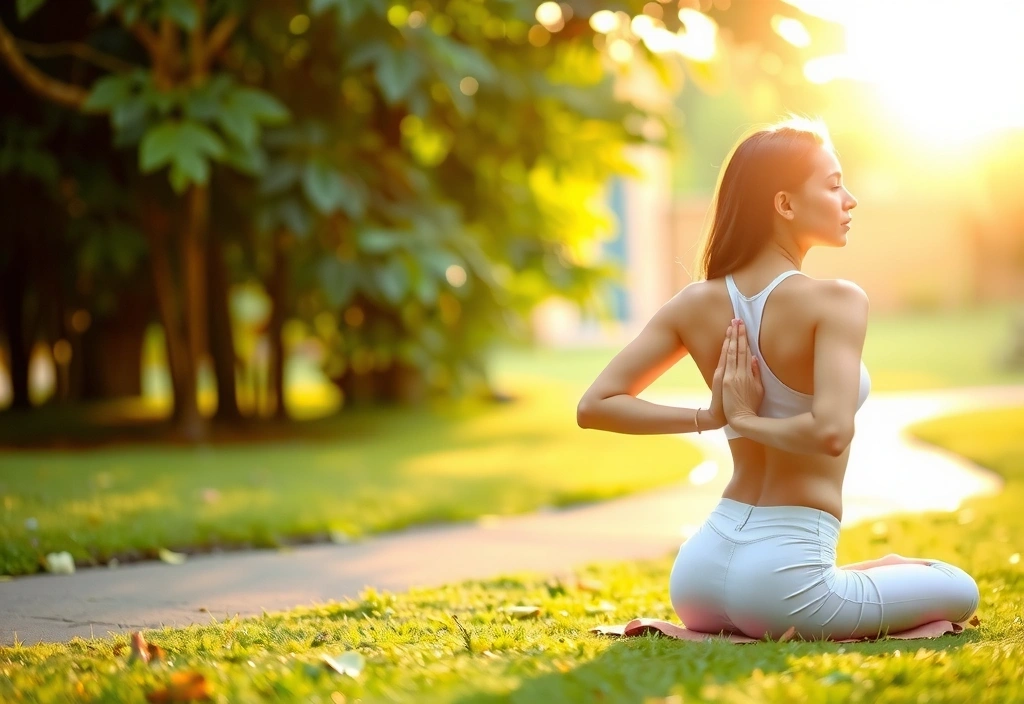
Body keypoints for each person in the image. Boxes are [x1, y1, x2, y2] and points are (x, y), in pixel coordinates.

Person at [575, 117, 979, 641]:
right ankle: (874, 578)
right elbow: (830, 431)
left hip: (699, 574)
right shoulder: (836, 300)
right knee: (957, 586)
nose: (849, 199)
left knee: (895, 576)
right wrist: (736, 417)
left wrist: (715, 418)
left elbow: (597, 404)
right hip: (786, 585)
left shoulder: (695, 302)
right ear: (785, 205)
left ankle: (872, 575)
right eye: (834, 185)